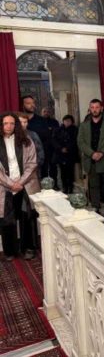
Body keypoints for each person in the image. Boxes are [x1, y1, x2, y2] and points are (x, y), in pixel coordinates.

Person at [0, 112, 41, 261]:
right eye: (5, 123)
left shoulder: (26, 140)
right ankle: (10, 251)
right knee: (7, 219)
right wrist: (11, 184)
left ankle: (28, 248)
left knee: (27, 217)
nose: (9, 126)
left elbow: (32, 163)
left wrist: (20, 182)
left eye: (12, 123)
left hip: (25, 184)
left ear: (16, 125)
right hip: (4, 186)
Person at [77, 99, 104, 213]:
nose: (94, 110)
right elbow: (80, 142)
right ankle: (95, 206)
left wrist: (101, 152)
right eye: (92, 107)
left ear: (101, 108)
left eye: (97, 107)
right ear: (89, 109)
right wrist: (92, 153)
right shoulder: (84, 125)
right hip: (91, 160)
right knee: (93, 185)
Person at [22, 96, 56, 182]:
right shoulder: (17, 120)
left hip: (40, 158)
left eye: (33, 103)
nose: (32, 105)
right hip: (23, 158)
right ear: (22, 105)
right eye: (28, 103)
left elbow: (47, 139)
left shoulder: (41, 121)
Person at [52, 115, 79, 194]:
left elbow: (75, 141)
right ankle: (64, 187)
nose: (67, 122)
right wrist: (60, 148)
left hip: (70, 154)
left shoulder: (75, 130)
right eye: (65, 121)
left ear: (72, 122)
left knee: (70, 172)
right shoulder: (58, 130)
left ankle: (70, 187)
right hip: (60, 154)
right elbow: (54, 140)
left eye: (69, 121)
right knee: (62, 172)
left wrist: (67, 148)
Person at [17, 112, 44, 177]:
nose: (23, 124)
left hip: (32, 170)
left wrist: (35, 166)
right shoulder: (11, 136)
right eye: (20, 122)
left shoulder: (33, 135)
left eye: (25, 122)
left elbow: (40, 152)